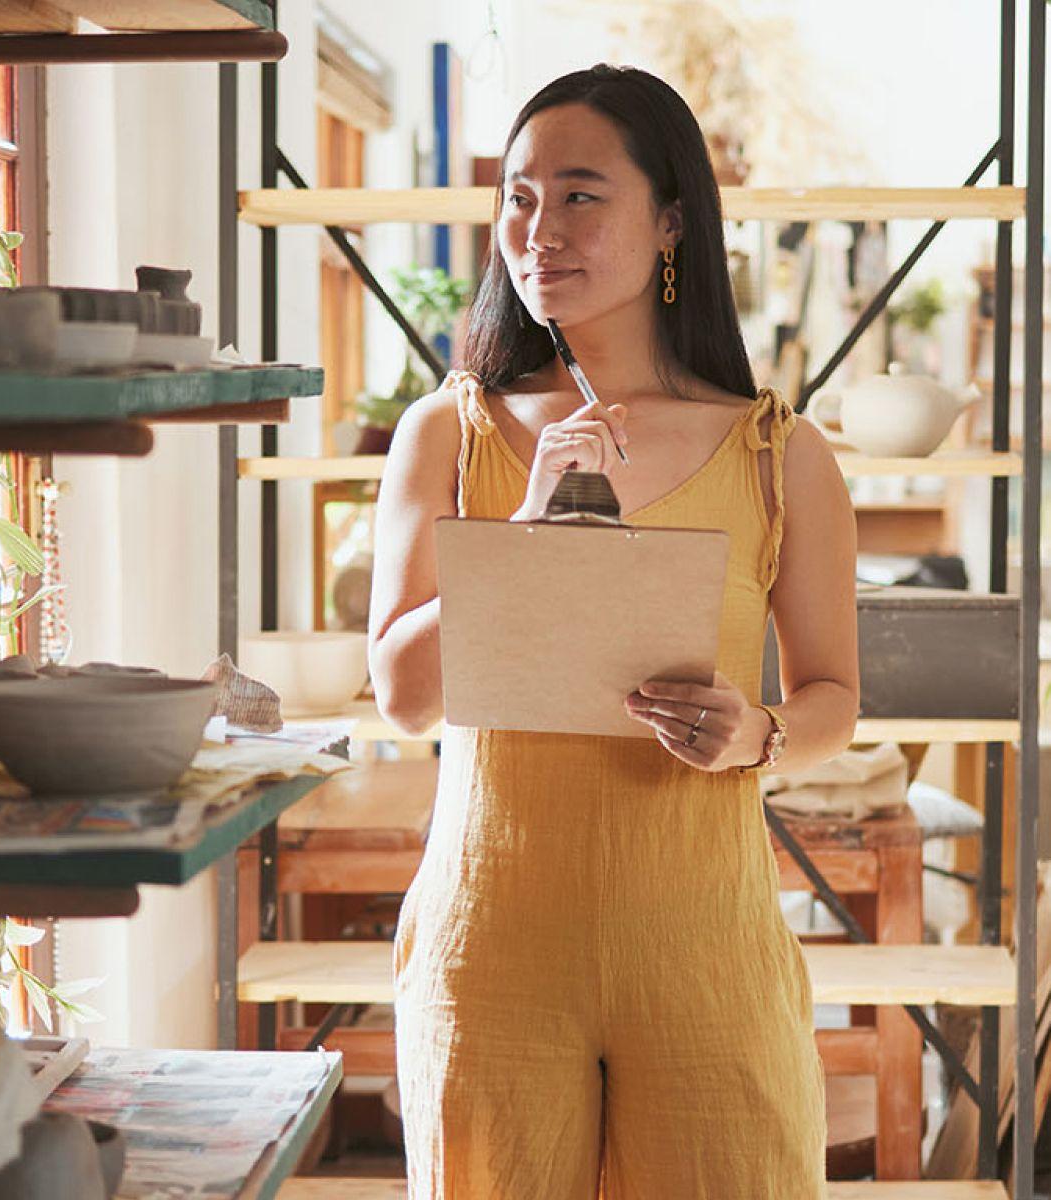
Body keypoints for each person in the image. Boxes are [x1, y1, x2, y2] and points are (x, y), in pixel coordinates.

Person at [369, 62, 859, 1200]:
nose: (539, 230)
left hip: (707, 951)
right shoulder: (448, 432)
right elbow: (400, 694)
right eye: (518, 198)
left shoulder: (781, 453)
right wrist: (524, 536)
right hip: (488, 946)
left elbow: (834, 699)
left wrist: (754, 735)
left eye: (580, 194)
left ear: (671, 219)